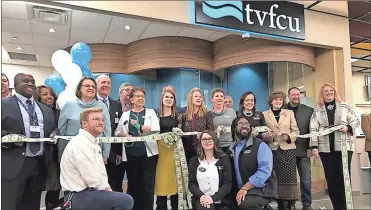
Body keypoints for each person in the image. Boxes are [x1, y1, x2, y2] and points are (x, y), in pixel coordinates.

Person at [1, 73, 58, 210]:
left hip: (38, 164)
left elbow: (54, 128)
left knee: (33, 204)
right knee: (9, 204)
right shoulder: (3, 105)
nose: (30, 84)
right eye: (25, 81)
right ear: (15, 85)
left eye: (32, 81)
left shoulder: (45, 109)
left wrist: (54, 133)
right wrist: (10, 138)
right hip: (13, 164)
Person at [60, 107, 134, 210]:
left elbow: (101, 176)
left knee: (117, 199)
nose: (101, 122)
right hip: (78, 196)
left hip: (89, 194)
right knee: (126, 200)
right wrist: (108, 194)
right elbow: (92, 179)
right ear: (84, 124)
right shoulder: (80, 145)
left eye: (102, 119)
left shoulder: (93, 143)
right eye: (96, 119)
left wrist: (108, 191)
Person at [310, 83, 360, 210]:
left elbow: (355, 121)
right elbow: (313, 129)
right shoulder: (317, 110)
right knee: (331, 180)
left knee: (344, 178)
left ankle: (346, 206)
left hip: (344, 148)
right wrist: (314, 147)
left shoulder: (345, 106)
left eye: (331, 90)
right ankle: (337, 207)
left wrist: (347, 127)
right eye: (326, 91)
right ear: (322, 94)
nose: (329, 92)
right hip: (326, 150)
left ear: (335, 92)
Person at [115, 86, 160, 210]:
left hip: (148, 155)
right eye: (138, 96)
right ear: (132, 99)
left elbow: (154, 130)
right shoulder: (125, 115)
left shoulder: (151, 113)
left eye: (143, 96)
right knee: (133, 184)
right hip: (130, 155)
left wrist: (139, 126)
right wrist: (123, 134)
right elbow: (117, 131)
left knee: (148, 185)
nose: (141, 98)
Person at [227, 116, 277, 209]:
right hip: (240, 188)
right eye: (241, 123)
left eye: (247, 124)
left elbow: (264, 171)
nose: (244, 126)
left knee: (245, 203)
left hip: (261, 188)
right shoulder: (231, 148)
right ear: (234, 128)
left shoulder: (260, 145)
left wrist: (245, 188)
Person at [58, 77, 111, 162]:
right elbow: (61, 131)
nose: (91, 88)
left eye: (93, 87)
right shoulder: (68, 105)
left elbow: (107, 131)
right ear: (79, 89)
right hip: (72, 153)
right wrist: (60, 153)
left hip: (95, 153)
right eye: (87, 86)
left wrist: (105, 154)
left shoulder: (102, 107)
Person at [263, 91, 299, 210]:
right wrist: (267, 135)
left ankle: (290, 203)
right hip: (272, 150)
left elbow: (295, 131)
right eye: (276, 99)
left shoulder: (289, 113)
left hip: (288, 149)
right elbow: (263, 131)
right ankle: (279, 203)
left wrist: (289, 137)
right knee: (275, 177)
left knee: (289, 177)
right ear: (271, 101)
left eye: (280, 99)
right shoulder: (264, 114)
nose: (278, 101)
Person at [34, 85, 63, 210]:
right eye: (45, 94)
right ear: (38, 97)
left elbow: (60, 128)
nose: (49, 96)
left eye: (51, 94)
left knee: (54, 188)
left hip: (54, 156)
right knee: (35, 188)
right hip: (37, 155)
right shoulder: (33, 112)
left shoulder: (58, 112)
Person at [188, 130, 232, 210]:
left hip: (221, 200)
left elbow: (227, 184)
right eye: (204, 139)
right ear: (200, 142)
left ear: (215, 141)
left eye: (210, 139)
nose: (207, 141)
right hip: (201, 200)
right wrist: (202, 196)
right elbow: (191, 184)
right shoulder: (194, 161)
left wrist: (212, 198)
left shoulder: (224, 159)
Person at [286, 87, 314, 210]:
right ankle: (290, 203)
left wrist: (311, 147)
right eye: (293, 95)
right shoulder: (282, 110)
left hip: (304, 151)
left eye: (298, 94)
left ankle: (307, 204)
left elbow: (312, 130)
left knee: (306, 179)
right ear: (288, 96)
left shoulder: (309, 111)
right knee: (288, 180)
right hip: (286, 150)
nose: (296, 97)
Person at [96, 75, 125, 192]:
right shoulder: (91, 103)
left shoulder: (116, 104)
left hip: (113, 153)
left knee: (115, 184)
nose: (106, 85)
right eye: (103, 82)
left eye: (108, 83)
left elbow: (118, 128)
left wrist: (118, 152)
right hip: (95, 151)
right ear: (97, 85)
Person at [155, 89, 182, 210]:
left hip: (174, 151)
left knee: (175, 180)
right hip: (160, 152)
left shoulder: (178, 117)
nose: (169, 99)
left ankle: (175, 206)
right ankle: (161, 206)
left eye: (171, 97)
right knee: (161, 181)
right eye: (167, 97)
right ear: (162, 99)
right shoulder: (155, 115)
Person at [180, 87, 214, 162]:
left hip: (201, 149)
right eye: (196, 96)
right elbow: (181, 132)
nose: (198, 98)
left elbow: (210, 132)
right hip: (187, 150)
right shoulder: (184, 115)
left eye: (200, 97)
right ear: (190, 98)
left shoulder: (207, 113)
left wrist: (203, 135)